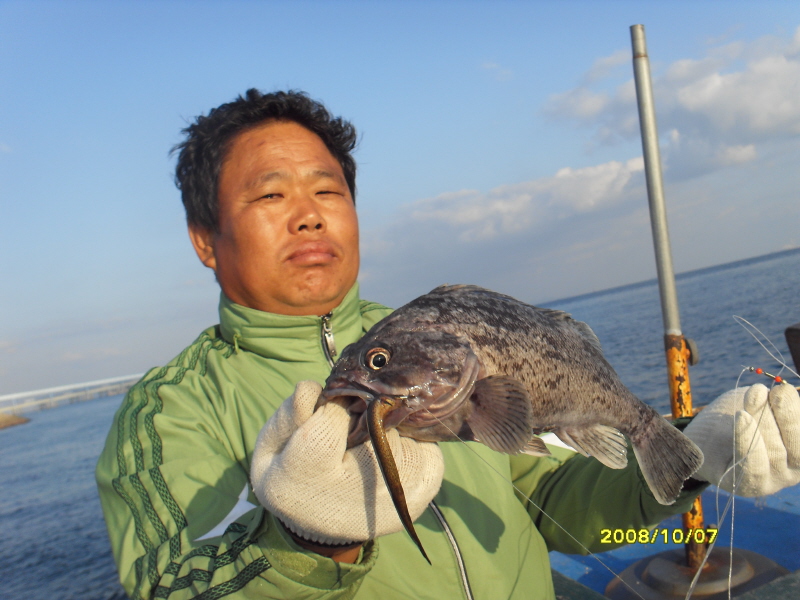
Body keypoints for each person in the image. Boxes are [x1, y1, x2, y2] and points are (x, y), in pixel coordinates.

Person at [96, 89, 800, 599]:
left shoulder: (431, 338)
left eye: (328, 191)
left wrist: (697, 457)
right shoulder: (171, 413)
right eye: (270, 196)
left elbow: (560, 511)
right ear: (204, 239)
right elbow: (170, 585)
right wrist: (307, 544)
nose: (308, 217)